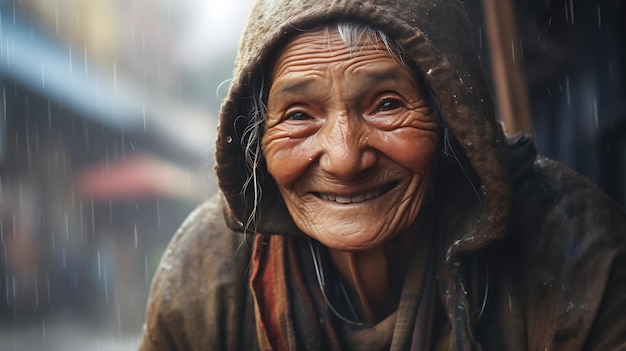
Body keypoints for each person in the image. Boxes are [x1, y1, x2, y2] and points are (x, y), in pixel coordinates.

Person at [139, 0, 626, 350]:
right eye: (299, 115)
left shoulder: (570, 244)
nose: (345, 159)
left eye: (387, 105)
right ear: (257, 141)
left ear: (453, 123)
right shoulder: (208, 273)